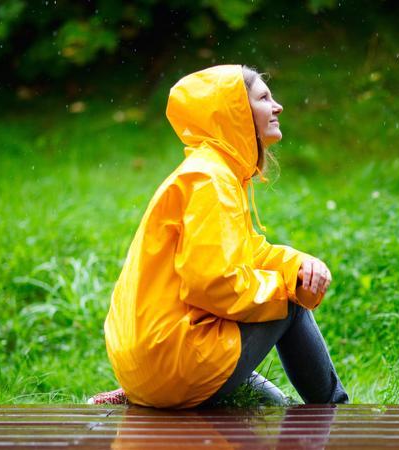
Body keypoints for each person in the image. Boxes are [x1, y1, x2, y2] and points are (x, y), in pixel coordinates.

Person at [88, 64, 349, 408]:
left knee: (274, 404)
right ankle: (339, 414)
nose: (278, 106)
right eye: (264, 98)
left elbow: (248, 251)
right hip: (171, 360)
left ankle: (284, 409)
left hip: (150, 359)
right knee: (288, 303)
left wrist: (298, 265)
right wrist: (289, 286)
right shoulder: (211, 180)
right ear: (236, 111)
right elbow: (212, 283)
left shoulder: (212, 171)